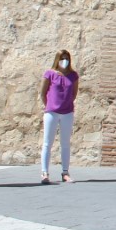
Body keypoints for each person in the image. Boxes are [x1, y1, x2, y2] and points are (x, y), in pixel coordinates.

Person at [39, 49, 79, 185]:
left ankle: (65, 172)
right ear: (57, 59)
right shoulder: (50, 74)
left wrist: (66, 104)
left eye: (67, 58)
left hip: (67, 112)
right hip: (51, 112)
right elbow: (42, 93)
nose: (64, 60)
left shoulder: (73, 75)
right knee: (47, 143)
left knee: (65, 143)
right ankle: (44, 172)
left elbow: (74, 93)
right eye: (62, 58)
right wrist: (49, 105)